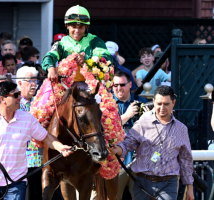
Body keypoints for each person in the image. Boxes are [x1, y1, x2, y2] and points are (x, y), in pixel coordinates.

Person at [0, 81, 73, 200]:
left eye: (19, 94)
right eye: (16, 95)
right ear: (3, 99)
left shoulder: (27, 119)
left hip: (17, 183)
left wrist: (60, 147)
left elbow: (46, 137)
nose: (20, 98)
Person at [109, 85, 194, 200]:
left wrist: (190, 188)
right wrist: (117, 149)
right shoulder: (142, 123)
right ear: (153, 102)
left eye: (166, 104)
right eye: (159, 104)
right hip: (142, 182)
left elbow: (186, 160)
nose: (162, 107)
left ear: (173, 103)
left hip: (168, 183)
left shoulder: (181, 129)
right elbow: (127, 143)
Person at [42, 5, 112, 89]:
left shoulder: (95, 41)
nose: (77, 31)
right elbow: (49, 57)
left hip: (91, 87)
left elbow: (107, 58)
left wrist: (86, 59)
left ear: (86, 27)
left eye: (81, 27)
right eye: (74, 27)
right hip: (65, 86)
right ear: (67, 26)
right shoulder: (61, 43)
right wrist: (51, 69)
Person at [112, 71, 147, 200]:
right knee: (113, 196)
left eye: (122, 84)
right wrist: (127, 115)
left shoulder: (141, 102)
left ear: (130, 84)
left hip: (138, 162)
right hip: (116, 163)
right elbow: (104, 129)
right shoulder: (107, 104)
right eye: (115, 85)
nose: (118, 88)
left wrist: (147, 119)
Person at [16, 66, 43, 200]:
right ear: (20, 83)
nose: (34, 84)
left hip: (41, 160)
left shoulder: (39, 103)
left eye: (35, 80)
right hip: (23, 162)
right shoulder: (15, 105)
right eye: (30, 80)